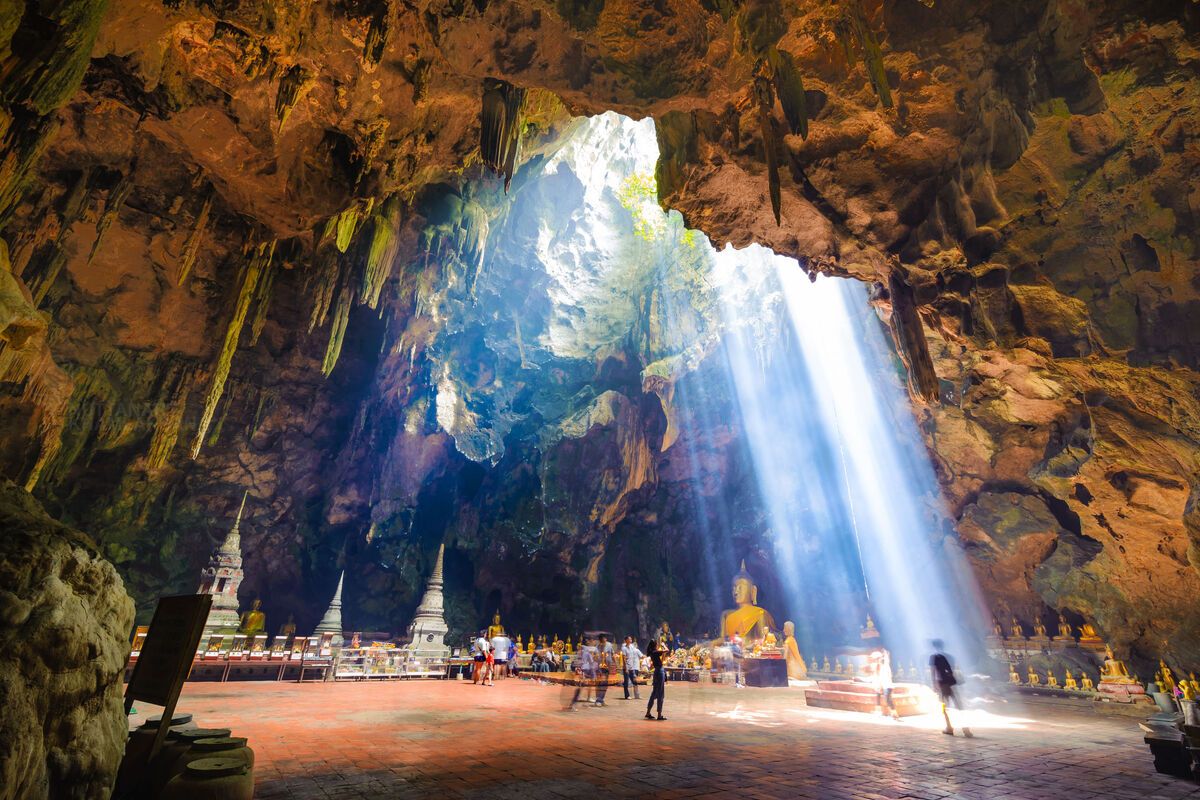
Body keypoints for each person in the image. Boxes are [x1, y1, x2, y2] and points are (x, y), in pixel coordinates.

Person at [929, 640, 971, 737]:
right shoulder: (950, 656)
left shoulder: (934, 657)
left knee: (944, 706)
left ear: (934, 646)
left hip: (943, 684)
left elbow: (933, 672)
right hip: (953, 683)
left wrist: (934, 684)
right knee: (959, 706)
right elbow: (955, 669)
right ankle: (966, 729)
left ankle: (949, 727)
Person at [569, 636, 598, 709]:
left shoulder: (580, 651)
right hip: (587, 669)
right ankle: (574, 703)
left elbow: (576, 661)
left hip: (581, 669)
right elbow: (591, 662)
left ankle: (575, 701)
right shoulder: (587, 652)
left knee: (581, 685)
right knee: (583, 686)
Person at [873, 649, 898, 720]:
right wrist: (879, 686)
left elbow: (887, 659)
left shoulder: (886, 666)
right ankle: (878, 712)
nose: (880, 661)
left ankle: (894, 714)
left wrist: (885, 652)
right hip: (884, 686)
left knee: (888, 699)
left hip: (888, 686)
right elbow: (880, 678)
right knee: (878, 695)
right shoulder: (880, 669)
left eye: (881, 660)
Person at [645, 638, 667, 720]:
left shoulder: (652, 652)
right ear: (655, 645)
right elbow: (666, 650)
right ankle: (659, 714)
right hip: (660, 671)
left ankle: (648, 712)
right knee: (660, 693)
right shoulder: (656, 652)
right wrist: (664, 645)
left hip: (656, 671)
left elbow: (661, 659)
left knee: (654, 692)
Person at [595, 634, 615, 706]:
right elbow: (595, 657)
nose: (603, 641)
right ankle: (598, 700)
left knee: (605, 684)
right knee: (600, 683)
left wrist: (614, 664)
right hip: (600, 668)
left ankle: (601, 699)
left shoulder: (609, 645)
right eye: (601, 640)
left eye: (604, 639)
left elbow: (612, 654)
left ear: (605, 639)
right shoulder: (597, 647)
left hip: (608, 667)